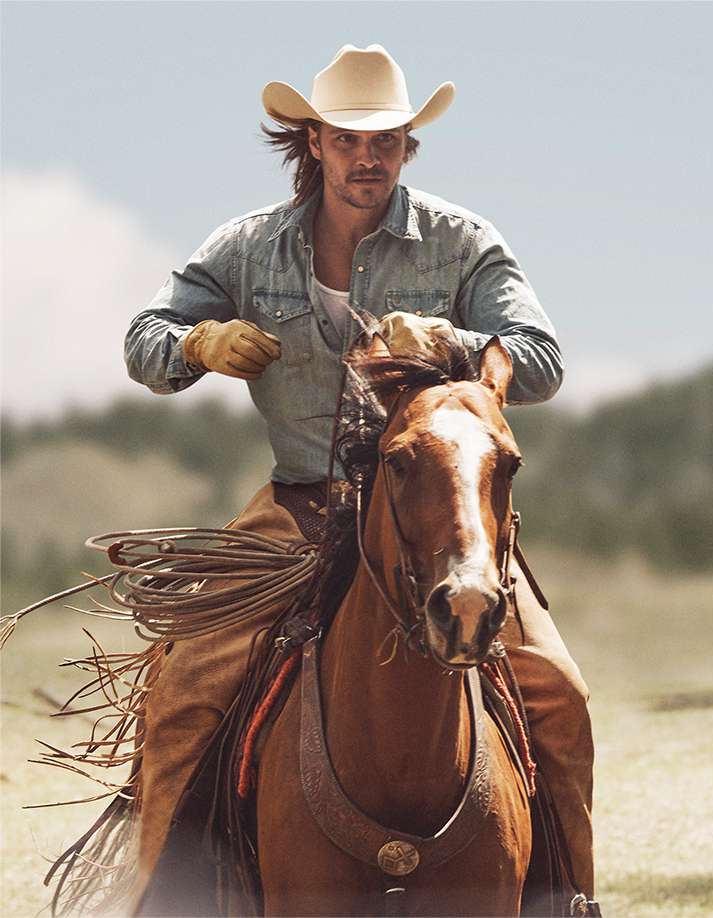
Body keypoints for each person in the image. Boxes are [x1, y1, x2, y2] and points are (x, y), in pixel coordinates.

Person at [123, 44, 595, 907]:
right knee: (184, 692)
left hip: (437, 510)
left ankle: (569, 899)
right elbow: (143, 341)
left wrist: (451, 344)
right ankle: (166, 897)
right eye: (347, 139)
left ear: (410, 145)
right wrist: (198, 343)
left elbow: (543, 362)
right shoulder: (246, 247)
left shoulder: (463, 242)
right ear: (312, 142)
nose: (367, 158)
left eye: (386, 141)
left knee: (559, 697)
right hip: (295, 509)